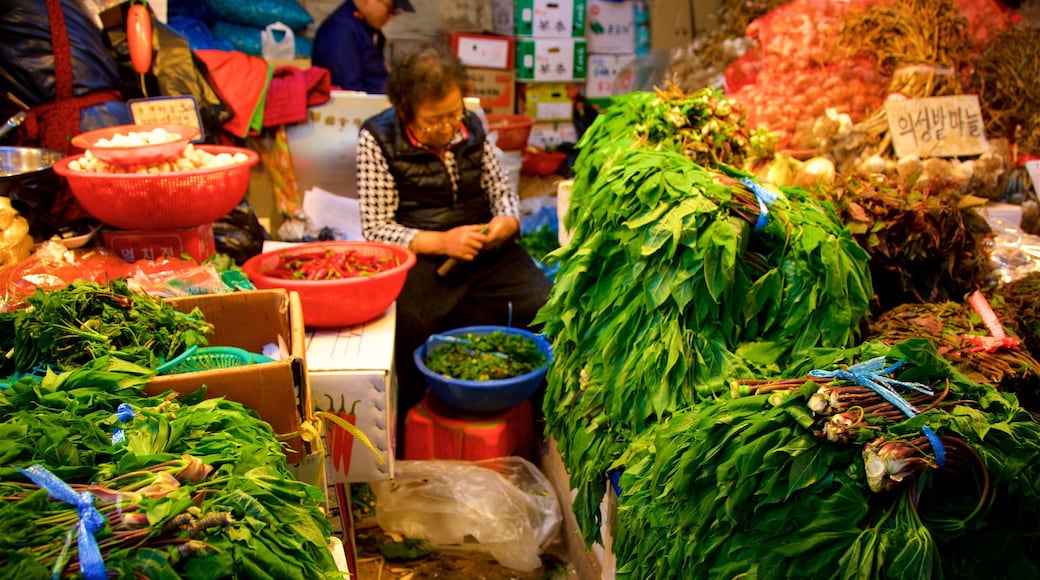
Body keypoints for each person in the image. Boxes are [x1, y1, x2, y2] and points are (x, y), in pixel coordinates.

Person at [356, 42, 552, 445]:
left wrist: (506, 220)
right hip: (425, 250)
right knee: (411, 323)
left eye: (452, 114)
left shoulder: (472, 124)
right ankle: (408, 429)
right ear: (406, 109)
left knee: (543, 301)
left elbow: (500, 187)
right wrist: (442, 241)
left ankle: (539, 418)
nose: (447, 128)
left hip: (483, 247)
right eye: (433, 121)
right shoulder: (378, 137)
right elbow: (376, 228)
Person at [311, 0, 414, 93]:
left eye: (395, 11)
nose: (392, 16)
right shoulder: (341, 31)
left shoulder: (364, 26)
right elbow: (350, 92)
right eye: (390, 8)